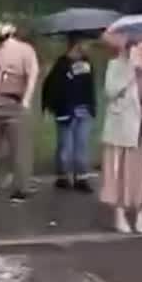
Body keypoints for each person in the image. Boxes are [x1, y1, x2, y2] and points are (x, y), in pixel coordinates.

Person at [100, 36, 142, 233]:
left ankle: (140, 215)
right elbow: (110, 91)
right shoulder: (116, 65)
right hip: (122, 128)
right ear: (132, 49)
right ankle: (119, 215)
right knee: (120, 173)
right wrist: (131, 70)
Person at [0, 19, 40, 202]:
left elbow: (32, 74)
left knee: (20, 150)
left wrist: (26, 100)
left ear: (12, 29)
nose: (0, 29)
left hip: (14, 105)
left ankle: (21, 186)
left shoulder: (25, 50)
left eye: (5, 25)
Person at [41, 33, 97, 191]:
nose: (88, 48)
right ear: (76, 45)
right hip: (66, 110)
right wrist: (48, 107)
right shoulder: (61, 64)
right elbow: (51, 87)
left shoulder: (87, 63)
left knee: (82, 145)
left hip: (84, 110)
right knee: (65, 145)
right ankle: (63, 176)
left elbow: (90, 86)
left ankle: (81, 178)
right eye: (85, 44)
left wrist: (92, 107)